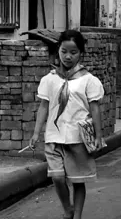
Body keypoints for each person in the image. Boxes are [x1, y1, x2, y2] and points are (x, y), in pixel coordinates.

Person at [29, 30, 105, 219]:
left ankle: (76, 216)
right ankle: (67, 209)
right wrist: (36, 132)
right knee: (56, 176)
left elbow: (95, 109)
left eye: (73, 52)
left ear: (81, 54)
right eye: (64, 51)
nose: (68, 56)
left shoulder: (89, 81)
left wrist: (98, 135)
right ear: (58, 51)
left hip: (77, 138)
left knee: (78, 181)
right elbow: (44, 107)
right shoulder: (50, 79)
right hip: (54, 137)